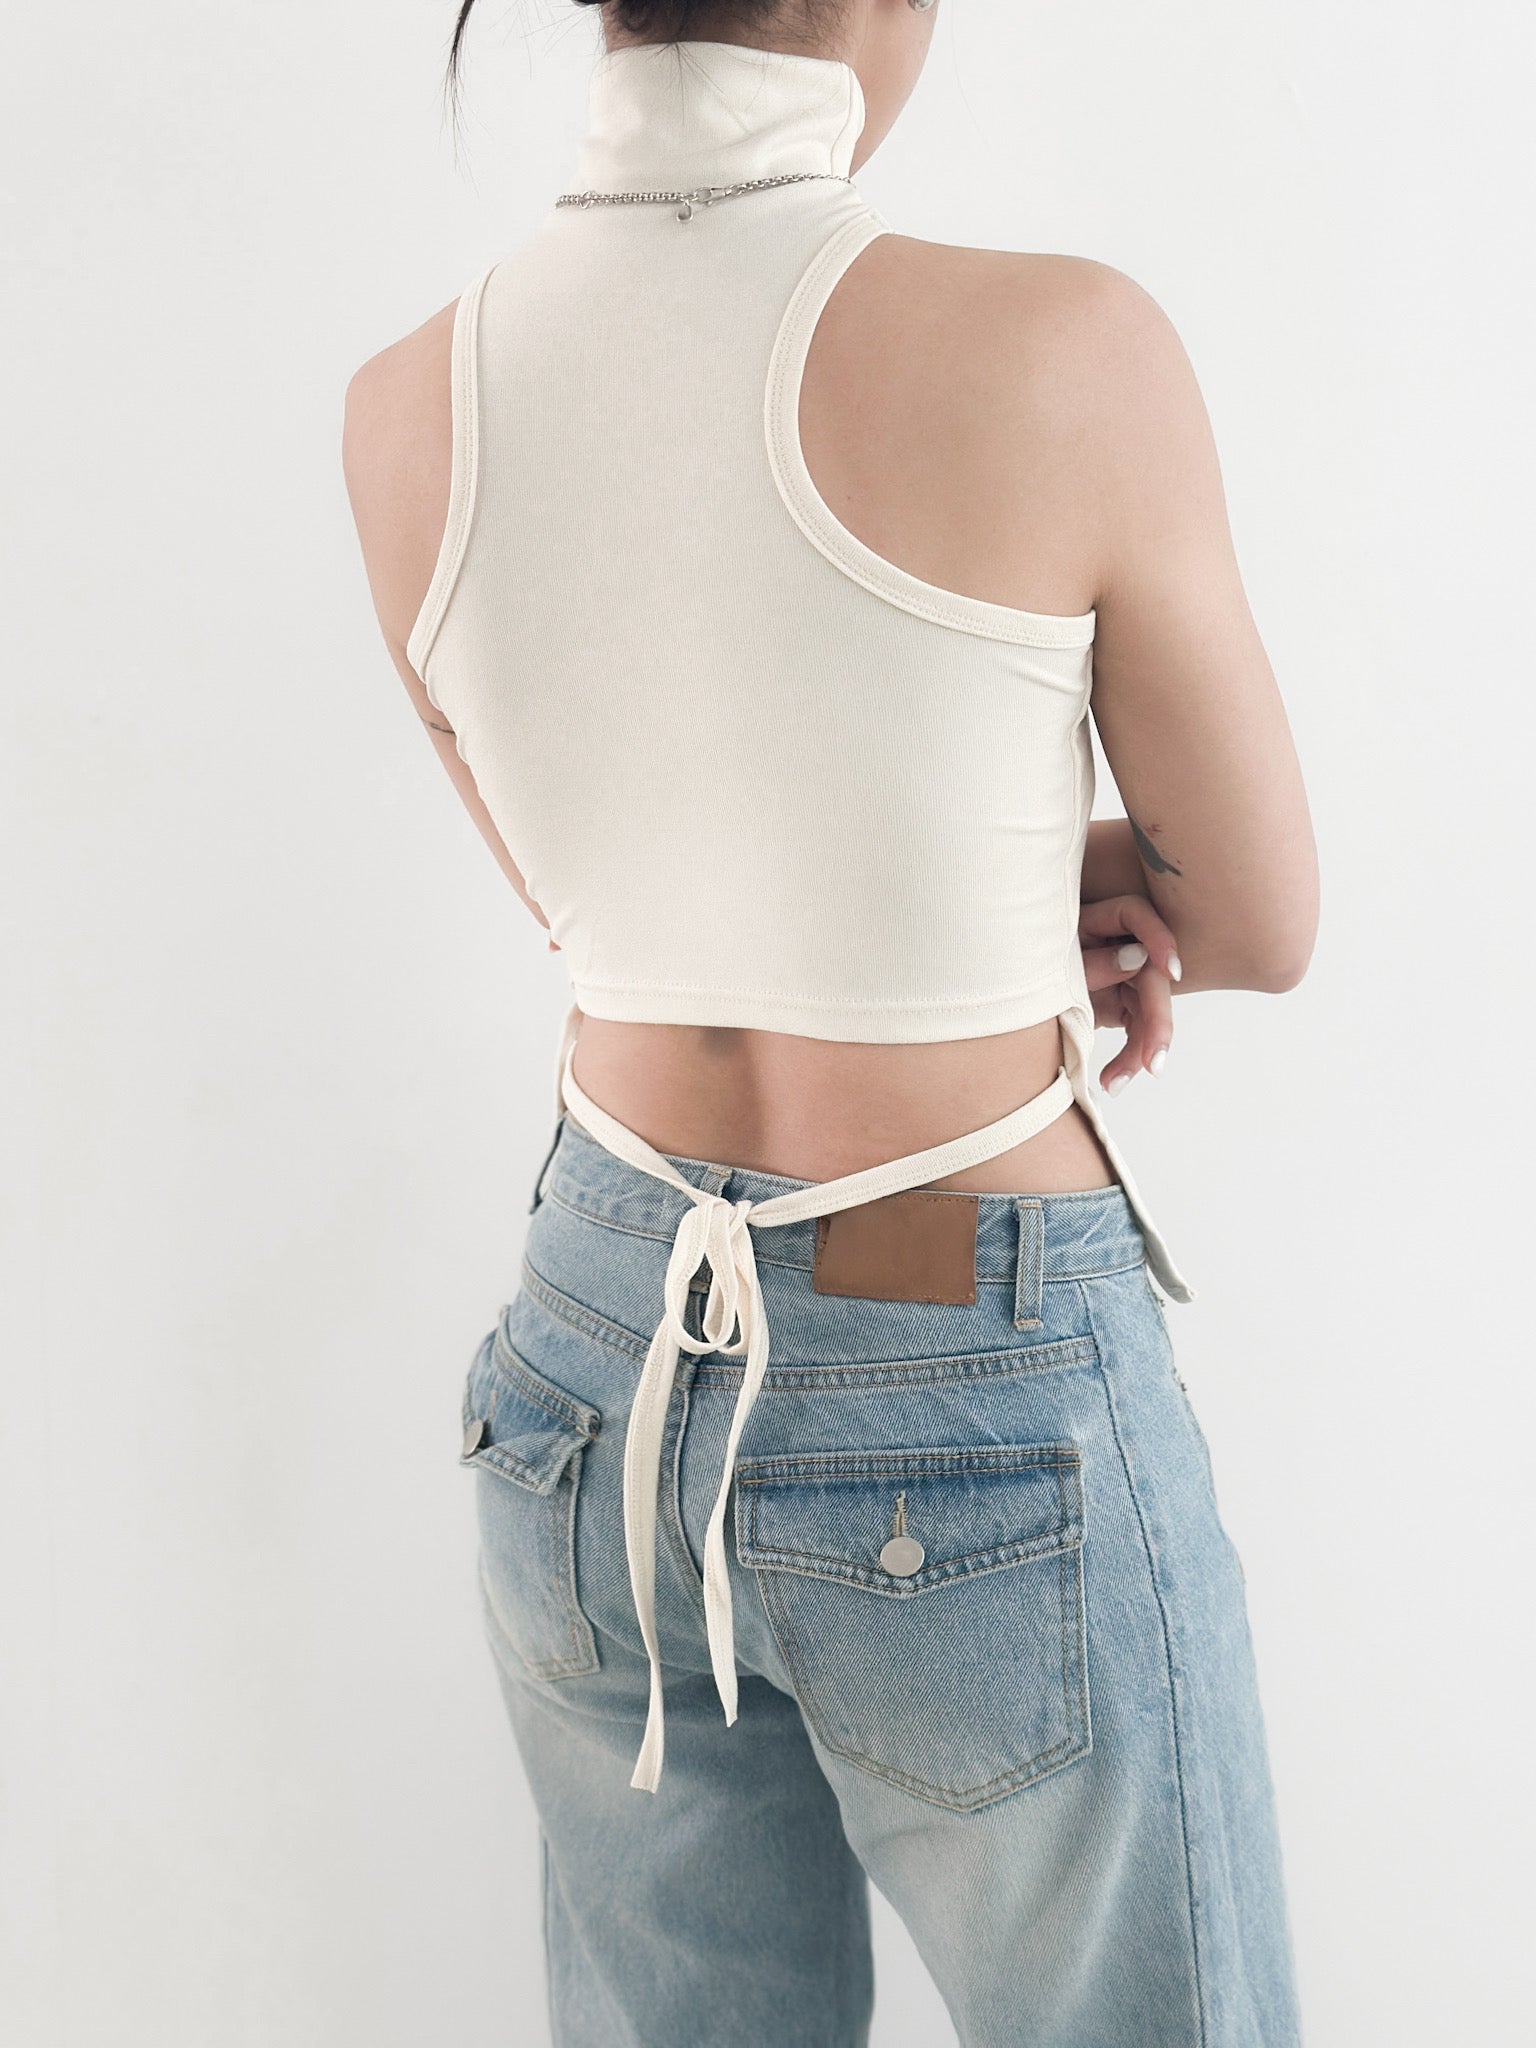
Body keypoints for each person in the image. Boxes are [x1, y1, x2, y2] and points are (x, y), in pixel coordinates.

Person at [342, 2, 1317, 2041]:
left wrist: (961, 879)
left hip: (590, 1362)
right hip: (957, 1334)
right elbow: (1255, 915)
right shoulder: (1067, 348)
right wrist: (1045, 873)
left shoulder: (404, 405)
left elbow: (616, 907)